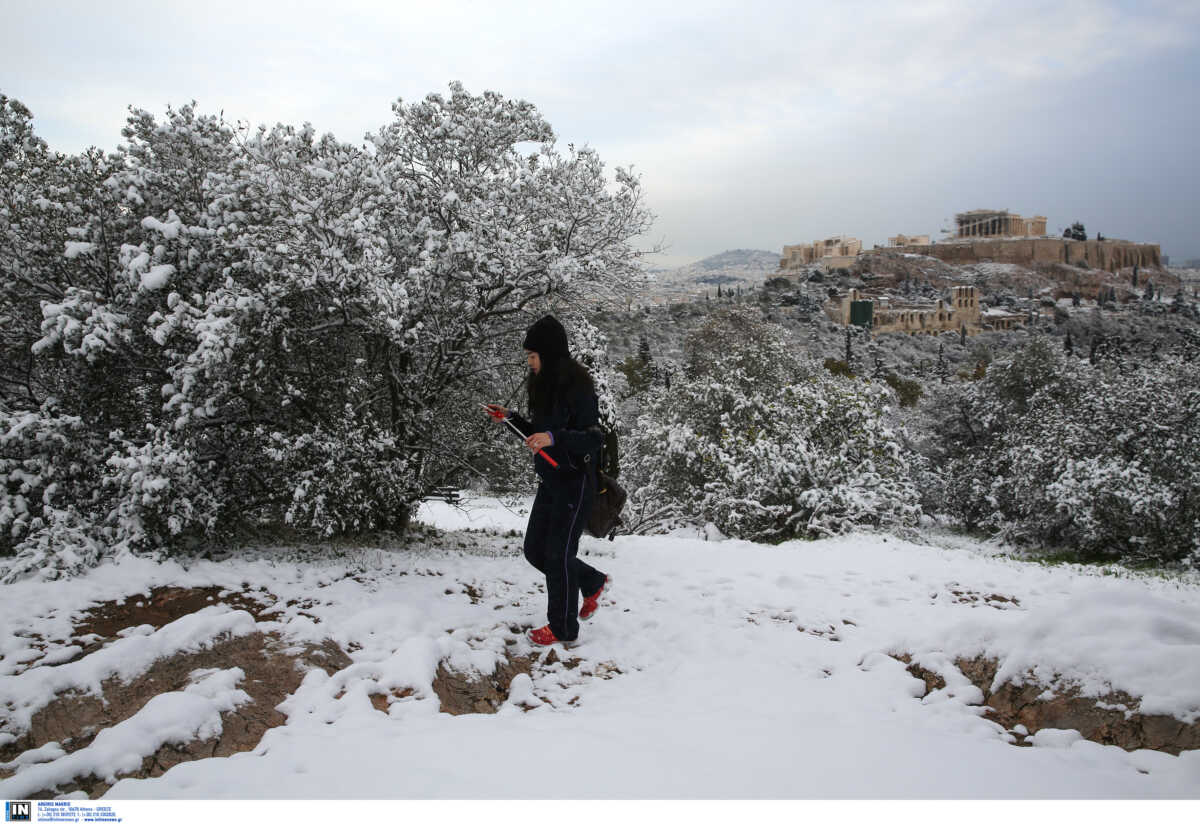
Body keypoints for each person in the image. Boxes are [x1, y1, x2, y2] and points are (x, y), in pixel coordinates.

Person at [485, 315, 611, 646]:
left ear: (550, 354)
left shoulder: (578, 386)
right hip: (551, 480)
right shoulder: (543, 386)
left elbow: (593, 438)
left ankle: (563, 629)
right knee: (535, 551)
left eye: (533, 356)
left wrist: (552, 438)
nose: (529, 363)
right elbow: (538, 436)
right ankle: (592, 581)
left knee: (557, 555)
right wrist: (511, 419)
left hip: (575, 481)